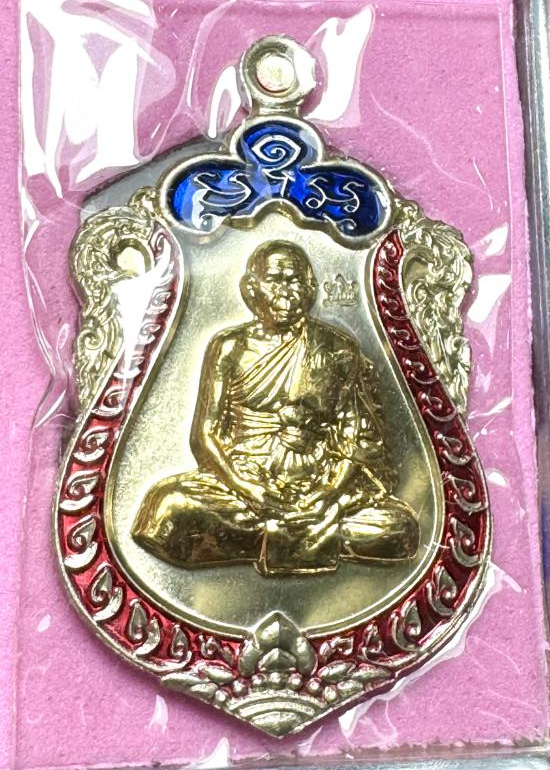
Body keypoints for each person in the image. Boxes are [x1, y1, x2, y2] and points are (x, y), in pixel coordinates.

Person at [132, 240, 419, 574]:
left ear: (310, 288)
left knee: (400, 528)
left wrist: (328, 494)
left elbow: (358, 439)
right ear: (252, 288)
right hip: (244, 481)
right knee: (167, 510)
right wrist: (249, 489)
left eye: (294, 280)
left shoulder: (338, 347)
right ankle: (299, 536)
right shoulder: (230, 347)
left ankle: (250, 539)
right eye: (275, 280)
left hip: (320, 483)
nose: (286, 291)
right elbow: (205, 435)